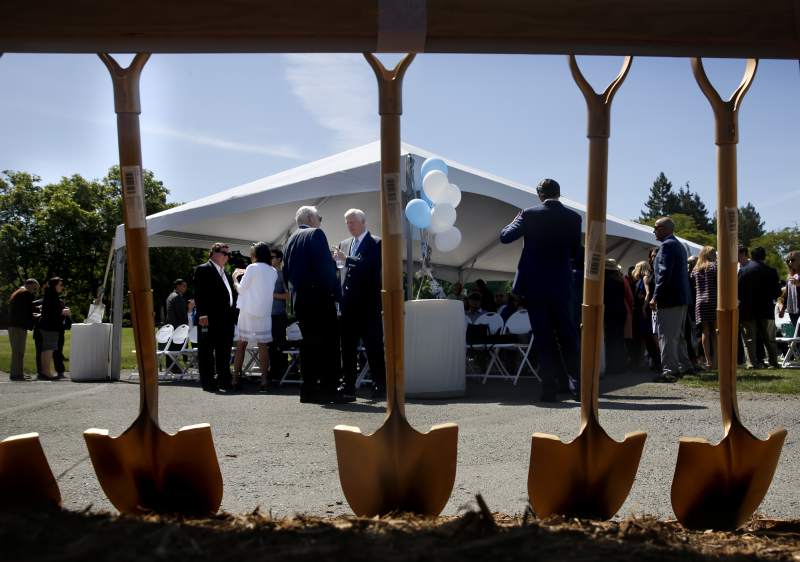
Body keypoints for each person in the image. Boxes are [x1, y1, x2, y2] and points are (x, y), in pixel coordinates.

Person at [500, 178, 581, 402]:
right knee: (568, 336)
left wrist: (516, 219)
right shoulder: (574, 218)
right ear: (559, 193)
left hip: (535, 285)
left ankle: (549, 389)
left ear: (539, 195)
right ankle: (577, 388)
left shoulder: (528, 214)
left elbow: (505, 237)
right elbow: (576, 253)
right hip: (562, 284)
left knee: (544, 338)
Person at [283, 205, 350, 404]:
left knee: (308, 347)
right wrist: (339, 296)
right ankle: (330, 390)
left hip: (301, 300)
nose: (320, 221)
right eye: (319, 217)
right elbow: (327, 270)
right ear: (312, 218)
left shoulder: (289, 241)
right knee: (329, 346)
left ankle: (309, 390)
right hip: (320, 298)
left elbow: (286, 273)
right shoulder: (316, 234)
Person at [332, 208, 386, 399]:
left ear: (363, 222)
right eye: (347, 222)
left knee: (374, 347)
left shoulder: (376, 243)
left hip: (369, 305)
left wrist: (347, 260)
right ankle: (348, 387)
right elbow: (341, 273)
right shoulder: (344, 244)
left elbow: (371, 267)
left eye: (352, 222)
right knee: (347, 348)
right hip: (348, 306)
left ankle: (380, 385)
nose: (349, 225)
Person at [232, 242, 278, 391]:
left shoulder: (252, 268)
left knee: (241, 344)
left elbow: (242, 289)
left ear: (255, 255)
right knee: (263, 345)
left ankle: (235, 379)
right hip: (264, 312)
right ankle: (264, 379)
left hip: (248, 310)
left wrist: (234, 279)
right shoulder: (273, 271)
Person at [651, 217, 692, 382]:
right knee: (678, 335)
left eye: (656, 227)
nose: (654, 231)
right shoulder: (679, 245)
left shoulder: (667, 246)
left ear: (664, 228)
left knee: (667, 335)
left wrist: (655, 296)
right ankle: (684, 365)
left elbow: (664, 273)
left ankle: (670, 370)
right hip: (680, 297)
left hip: (669, 298)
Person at [193, 242, 237, 392]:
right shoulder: (203, 269)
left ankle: (225, 381)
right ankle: (208, 382)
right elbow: (199, 293)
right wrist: (202, 314)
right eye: (224, 253)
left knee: (224, 352)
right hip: (209, 318)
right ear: (213, 253)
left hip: (226, 319)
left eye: (228, 254)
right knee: (207, 352)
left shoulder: (224, 271)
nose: (227, 256)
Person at [739, 246, 781, 369]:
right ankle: (773, 362)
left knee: (749, 339)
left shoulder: (744, 270)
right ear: (764, 256)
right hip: (766, 309)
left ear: (751, 256)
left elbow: (738, 290)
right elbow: (777, 292)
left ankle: (751, 363)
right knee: (769, 339)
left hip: (748, 310)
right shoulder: (772, 271)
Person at [7, 279, 39, 381]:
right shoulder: (25, 293)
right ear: (29, 285)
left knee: (18, 351)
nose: (34, 291)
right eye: (34, 288)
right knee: (18, 351)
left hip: (14, 325)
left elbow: (22, 310)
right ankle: (16, 374)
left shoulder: (18, 292)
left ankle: (18, 373)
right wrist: (36, 315)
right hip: (18, 326)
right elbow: (27, 311)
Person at [691, 246, 718, 369]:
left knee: (705, 332)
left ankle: (708, 361)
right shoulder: (714, 266)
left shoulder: (696, 269)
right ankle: (717, 360)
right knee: (716, 332)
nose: (715, 255)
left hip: (700, 302)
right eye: (713, 253)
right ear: (709, 254)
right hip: (713, 300)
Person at [38, 277, 70, 380]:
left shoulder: (48, 295)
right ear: (55, 285)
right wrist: (63, 313)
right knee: (49, 349)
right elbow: (53, 314)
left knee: (46, 349)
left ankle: (44, 371)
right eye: (60, 285)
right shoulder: (53, 297)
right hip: (50, 327)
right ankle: (47, 372)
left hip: (45, 326)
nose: (62, 287)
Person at [268, 249, 289, 383]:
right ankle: (273, 373)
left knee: (279, 345)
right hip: (266, 315)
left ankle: (282, 373)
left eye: (272, 257)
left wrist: (271, 295)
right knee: (269, 345)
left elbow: (288, 295)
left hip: (278, 315)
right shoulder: (266, 274)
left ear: (280, 259)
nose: (270, 259)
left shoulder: (282, 275)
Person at [778, 250, 800, 327]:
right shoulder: (790, 275)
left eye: (793, 260)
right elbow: (786, 294)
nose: (790, 262)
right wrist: (783, 310)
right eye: (788, 261)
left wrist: (798, 284)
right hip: (792, 311)